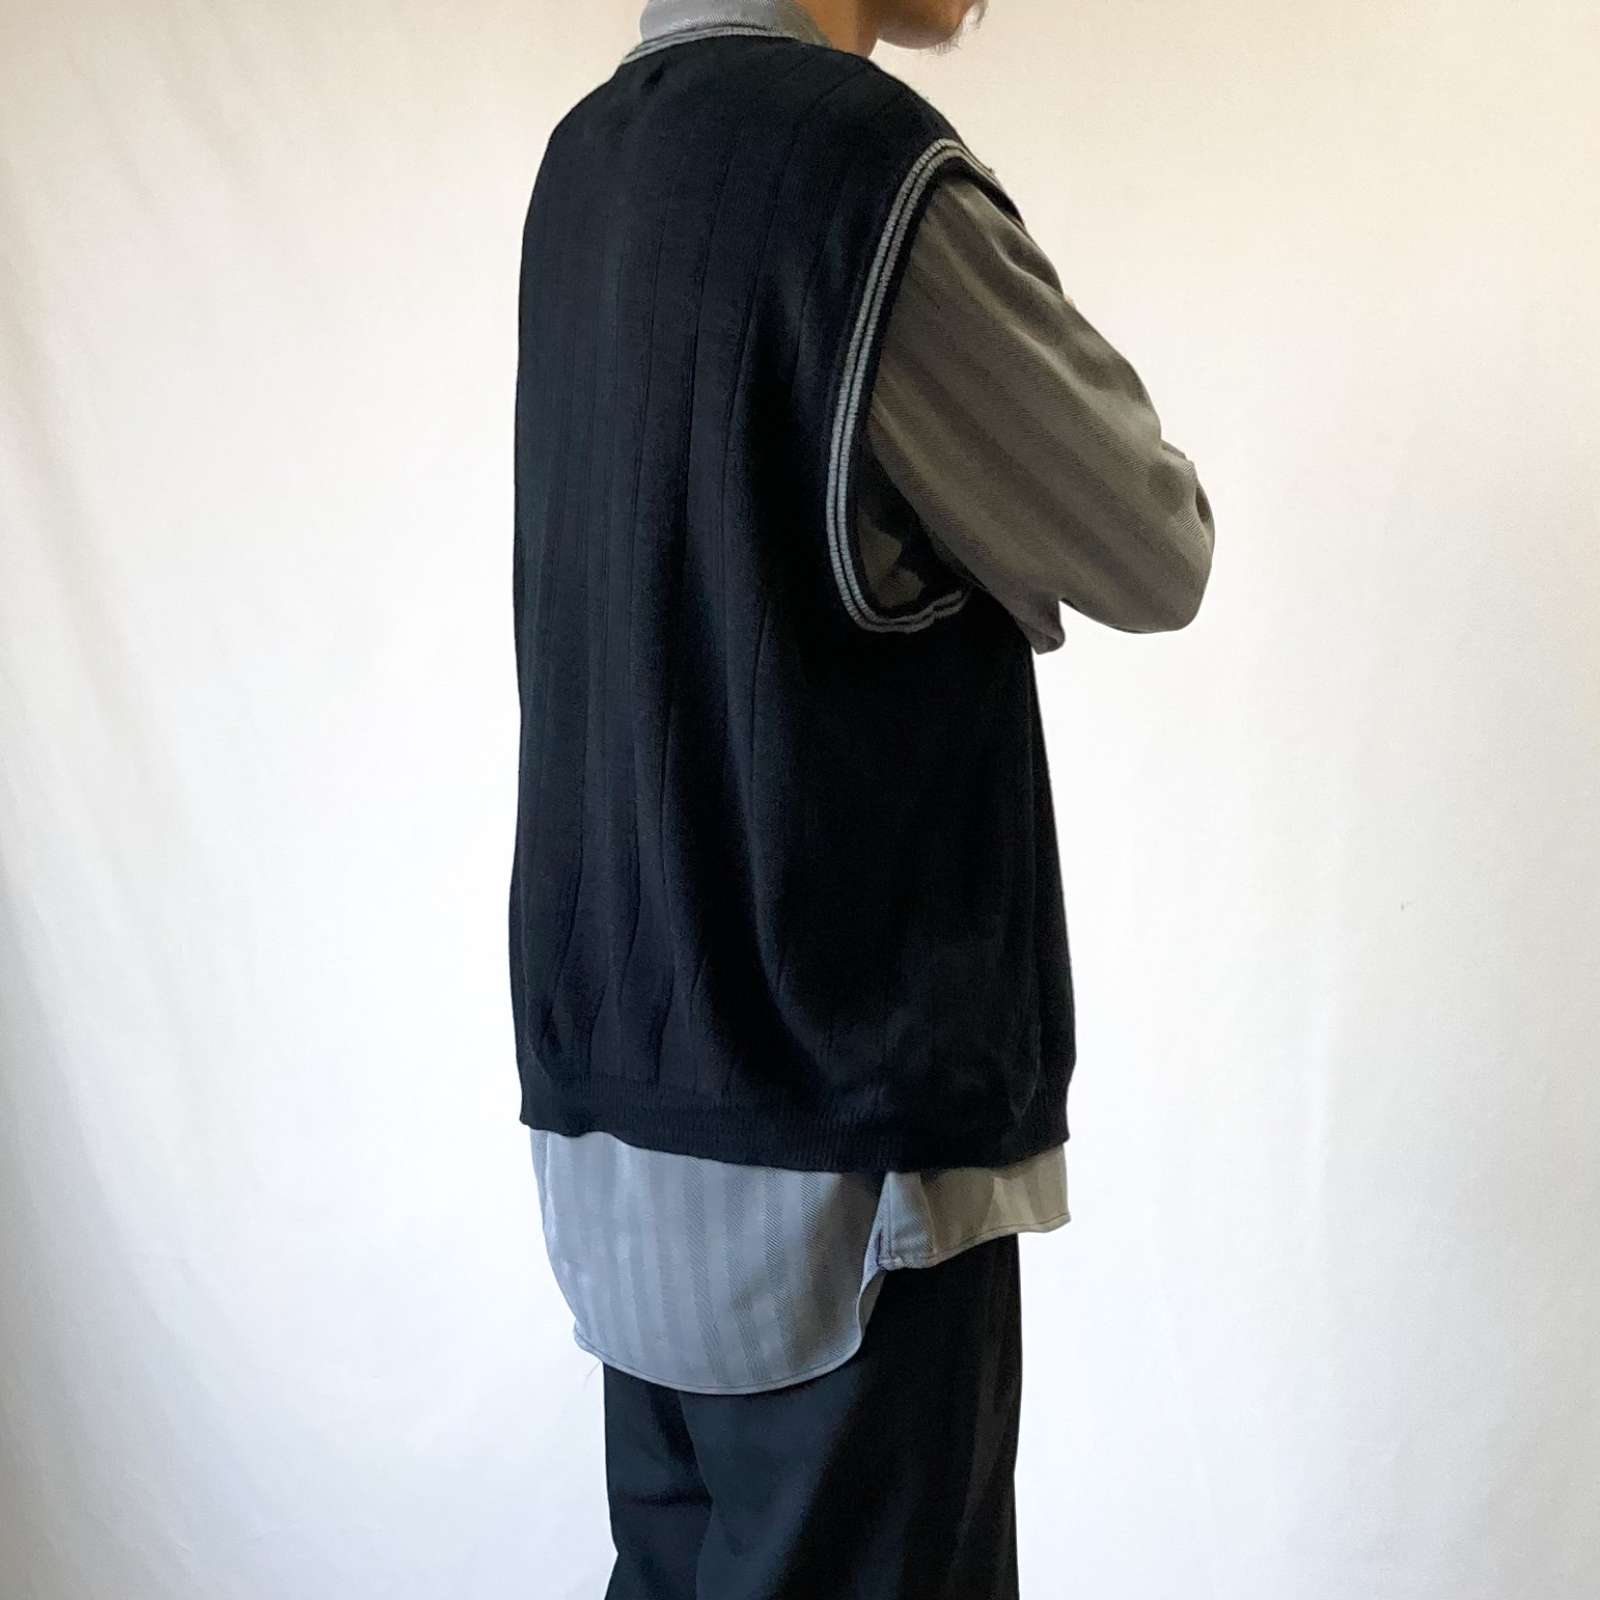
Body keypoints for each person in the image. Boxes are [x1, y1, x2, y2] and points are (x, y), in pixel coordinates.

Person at [508, 1, 1216, 1594]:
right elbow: (1151, 540)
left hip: (619, 1112)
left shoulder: (583, 167)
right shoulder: (860, 174)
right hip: (837, 1156)